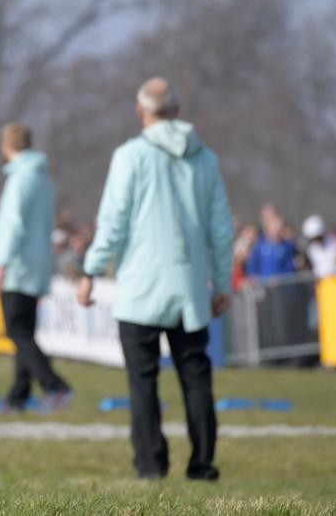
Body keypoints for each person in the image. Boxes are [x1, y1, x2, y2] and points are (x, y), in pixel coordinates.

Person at [76, 77, 234, 482]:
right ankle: (203, 464)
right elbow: (221, 229)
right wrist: (222, 283)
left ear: (140, 110)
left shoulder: (130, 156)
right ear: (177, 110)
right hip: (189, 289)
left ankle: (151, 465)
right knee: (196, 379)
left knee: (142, 381)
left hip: (140, 289)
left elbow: (113, 223)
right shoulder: (206, 159)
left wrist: (91, 270)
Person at [0, 122, 71, 412]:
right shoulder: (42, 178)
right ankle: (18, 396)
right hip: (38, 263)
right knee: (25, 332)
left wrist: (0, 263)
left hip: (18, 265)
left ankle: (55, 385)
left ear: (6, 146)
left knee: (16, 331)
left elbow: (13, 224)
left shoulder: (20, 178)